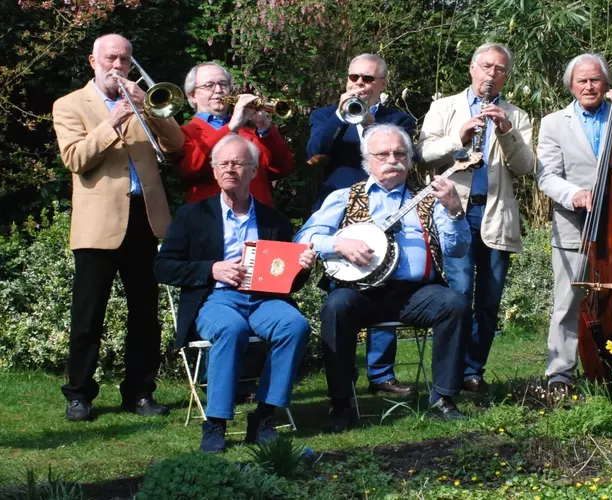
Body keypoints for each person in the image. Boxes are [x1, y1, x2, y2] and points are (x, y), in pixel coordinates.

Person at [296, 124, 472, 432]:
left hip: (418, 292)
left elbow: (457, 250)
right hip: (361, 292)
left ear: (409, 159)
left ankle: (443, 399)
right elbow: (305, 237)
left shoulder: (430, 199)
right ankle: (340, 402)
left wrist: (456, 212)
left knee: (454, 304)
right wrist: (338, 243)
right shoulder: (344, 197)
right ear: (368, 161)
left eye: (400, 153)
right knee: (336, 308)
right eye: (383, 154)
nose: (392, 159)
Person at [51, 34, 183, 422]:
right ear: (93, 60)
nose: (118, 66)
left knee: (145, 315)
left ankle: (139, 394)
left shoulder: (144, 99)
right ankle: (79, 395)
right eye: (111, 58)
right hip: (98, 224)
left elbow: (176, 145)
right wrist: (113, 122)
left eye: (125, 60)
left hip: (146, 218)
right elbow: (75, 159)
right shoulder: (70, 105)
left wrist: (148, 107)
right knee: (89, 315)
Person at [154, 134, 315, 453]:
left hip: (265, 298)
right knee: (231, 329)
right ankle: (215, 423)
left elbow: (288, 281)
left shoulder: (272, 219)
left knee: (295, 326)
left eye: (239, 163)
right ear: (213, 170)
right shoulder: (192, 216)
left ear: (254, 171)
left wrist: (303, 267)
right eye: (223, 163)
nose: (230, 169)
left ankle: (264, 417)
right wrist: (212, 269)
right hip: (216, 298)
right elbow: (163, 267)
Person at [536, 53, 612, 394]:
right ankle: (559, 375)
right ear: (571, 85)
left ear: (607, 84)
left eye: (595, 80)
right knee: (568, 302)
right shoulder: (553, 123)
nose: (589, 86)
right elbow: (546, 176)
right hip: (574, 226)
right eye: (582, 81)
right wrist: (574, 194)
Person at [418, 43, 535, 392]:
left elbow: (526, 166)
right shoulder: (444, 107)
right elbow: (423, 154)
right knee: (458, 294)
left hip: (495, 212)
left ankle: (472, 371)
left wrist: (506, 131)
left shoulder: (519, 116)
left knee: (488, 300)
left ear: (506, 76)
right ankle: (450, 372)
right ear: (472, 68)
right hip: (454, 213)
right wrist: (458, 138)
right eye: (486, 66)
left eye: (499, 69)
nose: (491, 74)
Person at [307, 53, 417, 397]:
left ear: (383, 84)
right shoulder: (325, 115)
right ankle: (343, 377)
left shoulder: (398, 119)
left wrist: (370, 124)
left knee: (384, 281)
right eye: (354, 77)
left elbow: (403, 159)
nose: (359, 84)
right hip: (340, 211)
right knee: (342, 297)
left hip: (384, 207)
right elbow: (314, 154)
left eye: (368, 79)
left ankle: (381, 374)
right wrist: (342, 118)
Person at [179, 62, 294, 206]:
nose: (219, 90)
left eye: (223, 84)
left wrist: (264, 127)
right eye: (209, 86)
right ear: (192, 95)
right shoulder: (184, 132)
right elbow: (191, 168)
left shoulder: (250, 133)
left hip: (257, 218)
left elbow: (284, 168)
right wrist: (232, 126)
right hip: (212, 220)